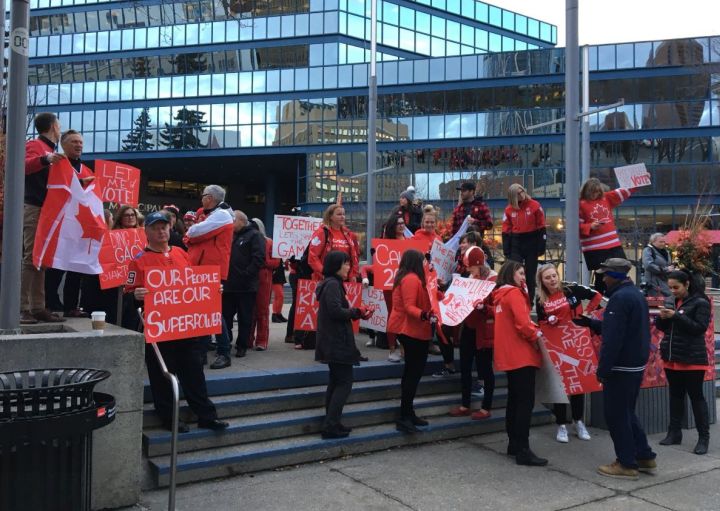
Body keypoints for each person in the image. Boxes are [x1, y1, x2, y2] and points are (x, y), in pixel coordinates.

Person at [126, 211, 228, 433]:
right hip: (159, 331)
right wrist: (135, 296)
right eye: (155, 227)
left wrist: (212, 289)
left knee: (194, 374)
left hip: (185, 328)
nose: (161, 231)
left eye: (164, 226)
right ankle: (170, 418)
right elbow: (127, 294)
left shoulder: (182, 254)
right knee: (162, 377)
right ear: (147, 232)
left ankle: (206, 416)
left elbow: (193, 285)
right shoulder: (138, 261)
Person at [575, 258, 657, 479]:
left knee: (616, 416)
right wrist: (592, 323)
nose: (603, 277)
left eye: (606, 274)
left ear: (617, 275)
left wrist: (603, 369)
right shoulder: (634, 295)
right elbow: (621, 329)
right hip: (634, 365)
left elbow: (613, 339)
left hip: (621, 367)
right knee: (627, 412)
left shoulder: (619, 299)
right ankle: (644, 455)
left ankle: (626, 464)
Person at [535, 263, 602, 443]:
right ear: (541, 281)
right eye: (547, 277)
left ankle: (578, 422)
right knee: (561, 386)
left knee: (578, 384)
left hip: (577, 341)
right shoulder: (540, 299)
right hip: (557, 346)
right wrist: (549, 321)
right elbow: (541, 323)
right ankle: (561, 425)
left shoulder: (572, 289)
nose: (552, 280)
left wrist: (587, 314)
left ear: (558, 275)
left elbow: (596, 296)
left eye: (554, 276)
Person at [493, 260, 548, 466]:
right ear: (511, 274)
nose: (524, 277)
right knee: (524, 404)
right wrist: (536, 337)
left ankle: (514, 444)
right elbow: (523, 324)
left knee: (514, 401)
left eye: (525, 274)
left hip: (509, 356)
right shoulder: (514, 294)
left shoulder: (500, 296)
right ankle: (523, 449)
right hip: (522, 355)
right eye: (521, 273)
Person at [315, 251, 372, 439]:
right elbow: (335, 311)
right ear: (336, 266)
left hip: (333, 340)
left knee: (336, 381)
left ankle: (332, 422)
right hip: (336, 341)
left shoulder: (332, 284)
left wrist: (357, 313)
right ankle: (331, 425)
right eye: (345, 264)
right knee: (344, 383)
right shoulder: (332, 284)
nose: (348, 267)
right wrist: (356, 311)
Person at [656, 270, 711, 455]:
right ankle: (674, 432)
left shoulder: (701, 302)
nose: (673, 291)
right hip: (672, 356)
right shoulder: (671, 301)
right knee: (675, 395)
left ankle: (703, 438)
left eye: (676, 287)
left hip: (692, 357)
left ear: (687, 284)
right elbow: (664, 327)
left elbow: (699, 328)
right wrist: (661, 318)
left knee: (696, 397)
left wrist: (676, 316)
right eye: (670, 287)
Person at [388, 249, 441, 433]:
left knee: (412, 373)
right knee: (413, 373)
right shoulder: (411, 279)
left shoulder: (411, 278)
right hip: (410, 330)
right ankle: (405, 415)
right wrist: (426, 315)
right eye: (423, 261)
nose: (426, 263)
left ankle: (408, 413)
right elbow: (410, 307)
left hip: (413, 330)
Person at [21, 113, 66, 324]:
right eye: (58, 124)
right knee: (31, 258)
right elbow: (25, 166)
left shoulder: (51, 150)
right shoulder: (37, 145)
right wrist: (45, 159)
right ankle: (22, 308)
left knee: (41, 260)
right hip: (35, 207)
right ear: (53, 126)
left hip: (46, 209)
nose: (60, 128)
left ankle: (37, 307)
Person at [185, 185, 234, 367]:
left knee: (212, 312)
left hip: (211, 270)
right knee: (203, 312)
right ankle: (203, 351)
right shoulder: (212, 215)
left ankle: (224, 352)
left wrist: (192, 233)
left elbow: (193, 232)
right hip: (203, 269)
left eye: (203, 195)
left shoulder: (221, 215)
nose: (201, 198)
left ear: (210, 198)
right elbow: (190, 235)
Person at [449, 246, 497, 421]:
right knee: (465, 367)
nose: (467, 269)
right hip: (469, 328)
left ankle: (486, 407)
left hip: (484, 331)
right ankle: (465, 404)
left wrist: (485, 308)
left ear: (478, 264)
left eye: (470, 266)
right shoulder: (471, 277)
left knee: (485, 369)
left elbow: (499, 309)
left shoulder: (493, 279)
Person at [59, 130, 97, 319]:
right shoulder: (57, 164)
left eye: (81, 142)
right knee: (56, 266)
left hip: (80, 223)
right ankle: (50, 304)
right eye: (74, 141)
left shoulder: (88, 170)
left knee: (76, 266)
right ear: (63, 144)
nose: (79, 145)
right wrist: (81, 183)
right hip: (60, 222)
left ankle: (71, 306)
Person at [222, 211, 266, 360]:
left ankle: (242, 345)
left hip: (245, 286)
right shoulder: (230, 235)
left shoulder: (254, 235)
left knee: (245, 317)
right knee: (226, 317)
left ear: (241, 221)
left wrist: (246, 274)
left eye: (233, 221)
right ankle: (225, 343)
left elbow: (259, 258)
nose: (230, 224)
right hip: (228, 285)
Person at [579, 178, 632, 295]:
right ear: (587, 191)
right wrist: (590, 226)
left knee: (622, 269)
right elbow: (576, 227)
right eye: (593, 192)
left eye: (598, 192)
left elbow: (623, 191)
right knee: (601, 276)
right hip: (595, 248)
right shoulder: (581, 205)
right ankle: (600, 303)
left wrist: (641, 180)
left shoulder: (606, 198)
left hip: (613, 244)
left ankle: (618, 296)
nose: (595, 194)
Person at [501, 183, 546, 302]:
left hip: (532, 241)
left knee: (530, 274)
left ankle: (529, 301)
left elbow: (541, 225)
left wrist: (542, 245)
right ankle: (517, 299)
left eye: (522, 191)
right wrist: (506, 249)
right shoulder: (508, 210)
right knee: (515, 272)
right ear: (513, 196)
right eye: (518, 194)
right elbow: (506, 229)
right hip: (516, 242)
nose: (522, 195)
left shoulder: (535, 205)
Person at [249, 218, 280, 351]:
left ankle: (261, 340)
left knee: (262, 311)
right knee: (249, 312)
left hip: (264, 280)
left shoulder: (269, 242)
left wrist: (262, 261)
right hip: (250, 278)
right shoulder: (247, 240)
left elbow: (276, 263)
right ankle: (248, 339)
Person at [641, 233, 674, 299]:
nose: (663, 243)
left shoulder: (665, 251)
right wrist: (666, 269)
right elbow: (648, 265)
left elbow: (668, 265)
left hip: (665, 283)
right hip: (654, 285)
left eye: (664, 242)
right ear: (653, 241)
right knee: (657, 304)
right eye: (660, 242)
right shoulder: (648, 250)